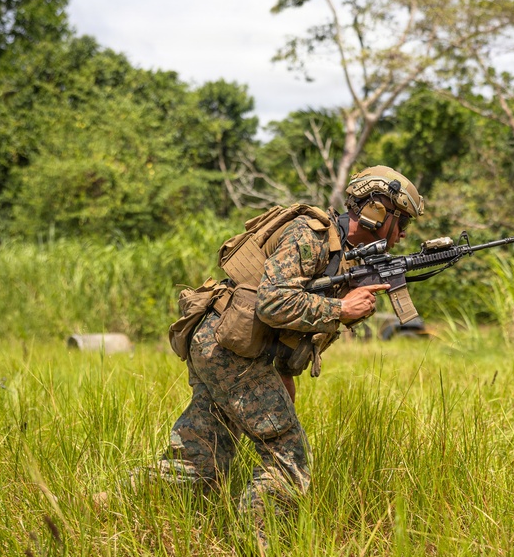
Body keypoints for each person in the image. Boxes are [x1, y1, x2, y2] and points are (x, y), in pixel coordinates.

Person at [154, 165, 424, 537]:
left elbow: (287, 321)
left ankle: (109, 507)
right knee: (288, 457)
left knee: (198, 461)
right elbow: (272, 303)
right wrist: (340, 310)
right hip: (231, 351)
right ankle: (255, 547)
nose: (405, 233)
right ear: (377, 213)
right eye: (402, 220)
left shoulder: (341, 251)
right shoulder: (309, 235)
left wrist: (283, 375)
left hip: (221, 345)